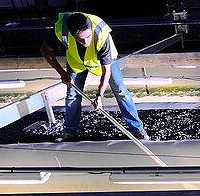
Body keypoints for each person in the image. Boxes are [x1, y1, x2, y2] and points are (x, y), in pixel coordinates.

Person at [40, 11, 149, 141]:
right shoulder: (61, 29)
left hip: (105, 61)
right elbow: (45, 50)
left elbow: (106, 71)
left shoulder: (102, 35)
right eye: (80, 39)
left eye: (88, 37)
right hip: (76, 62)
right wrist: (62, 73)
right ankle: (70, 133)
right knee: (72, 95)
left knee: (120, 90)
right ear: (71, 34)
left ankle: (138, 130)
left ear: (90, 28)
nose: (85, 42)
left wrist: (99, 96)